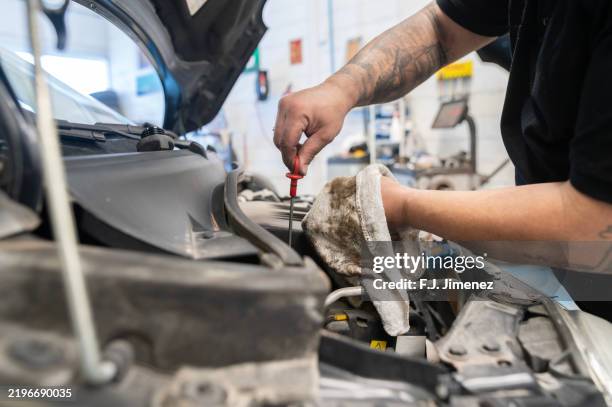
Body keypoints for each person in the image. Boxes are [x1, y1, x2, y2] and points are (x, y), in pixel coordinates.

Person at [273, 0, 612, 242]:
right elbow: (441, 30)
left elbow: (595, 220)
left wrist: (402, 204)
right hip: (559, 262)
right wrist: (339, 89)